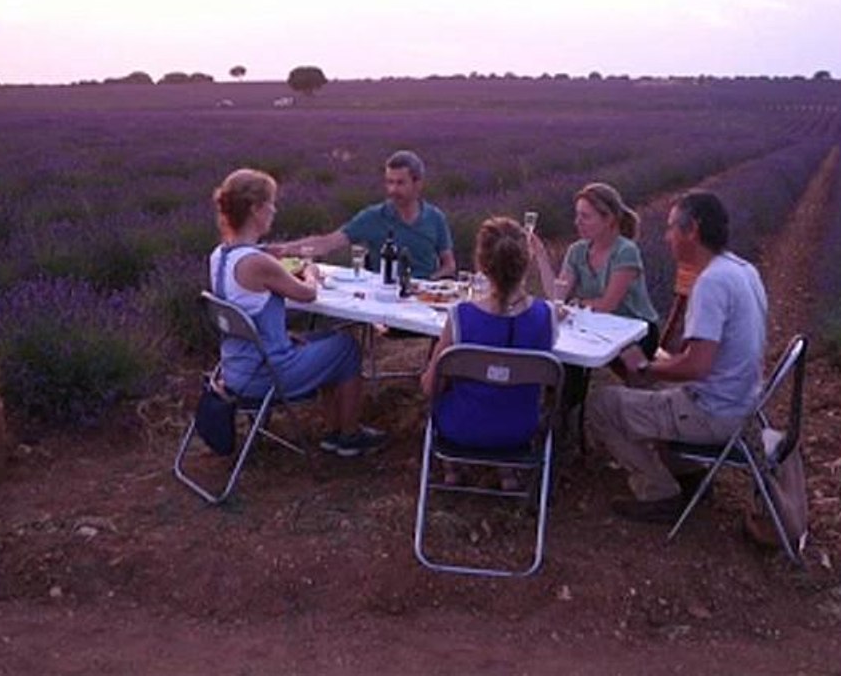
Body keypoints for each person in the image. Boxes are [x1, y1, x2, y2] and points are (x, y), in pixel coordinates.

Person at [587, 190, 768, 523]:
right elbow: (704, 358)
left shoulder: (711, 283)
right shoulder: (744, 271)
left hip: (712, 414)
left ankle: (658, 492)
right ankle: (690, 475)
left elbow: (697, 365)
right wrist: (654, 370)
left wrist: (646, 368)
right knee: (647, 392)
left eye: (672, 228)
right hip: (742, 407)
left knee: (600, 405)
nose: (667, 237)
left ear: (693, 230)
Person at [209, 168, 385, 457]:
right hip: (267, 374)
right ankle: (349, 436)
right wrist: (312, 271)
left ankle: (333, 432)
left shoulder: (220, 255)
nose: (274, 210)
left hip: (236, 368)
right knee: (347, 347)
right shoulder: (256, 263)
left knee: (325, 338)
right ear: (255, 209)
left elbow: (248, 309)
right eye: (270, 203)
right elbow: (308, 294)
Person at [421, 217, 559, 489]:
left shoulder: (461, 316)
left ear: (481, 264)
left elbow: (430, 388)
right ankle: (506, 471)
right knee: (507, 387)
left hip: (461, 427)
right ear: (526, 264)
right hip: (520, 429)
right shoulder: (547, 316)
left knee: (448, 384)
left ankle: (452, 471)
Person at [529, 182, 659, 412]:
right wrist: (540, 255)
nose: (577, 222)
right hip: (592, 326)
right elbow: (557, 295)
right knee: (564, 352)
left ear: (608, 219)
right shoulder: (577, 250)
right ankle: (560, 417)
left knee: (631, 358)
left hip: (635, 328)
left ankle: (638, 411)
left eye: (585, 217)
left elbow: (608, 305)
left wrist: (579, 303)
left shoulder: (625, 251)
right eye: (577, 215)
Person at [274, 150, 456, 279]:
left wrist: (429, 283)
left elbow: (449, 265)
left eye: (400, 183)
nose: (393, 190)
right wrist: (282, 249)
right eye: (389, 182)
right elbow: (327, 242)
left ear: (418, 184)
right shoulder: (373, 217)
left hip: (424, 301)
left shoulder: (435, 218)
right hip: (384, 299)